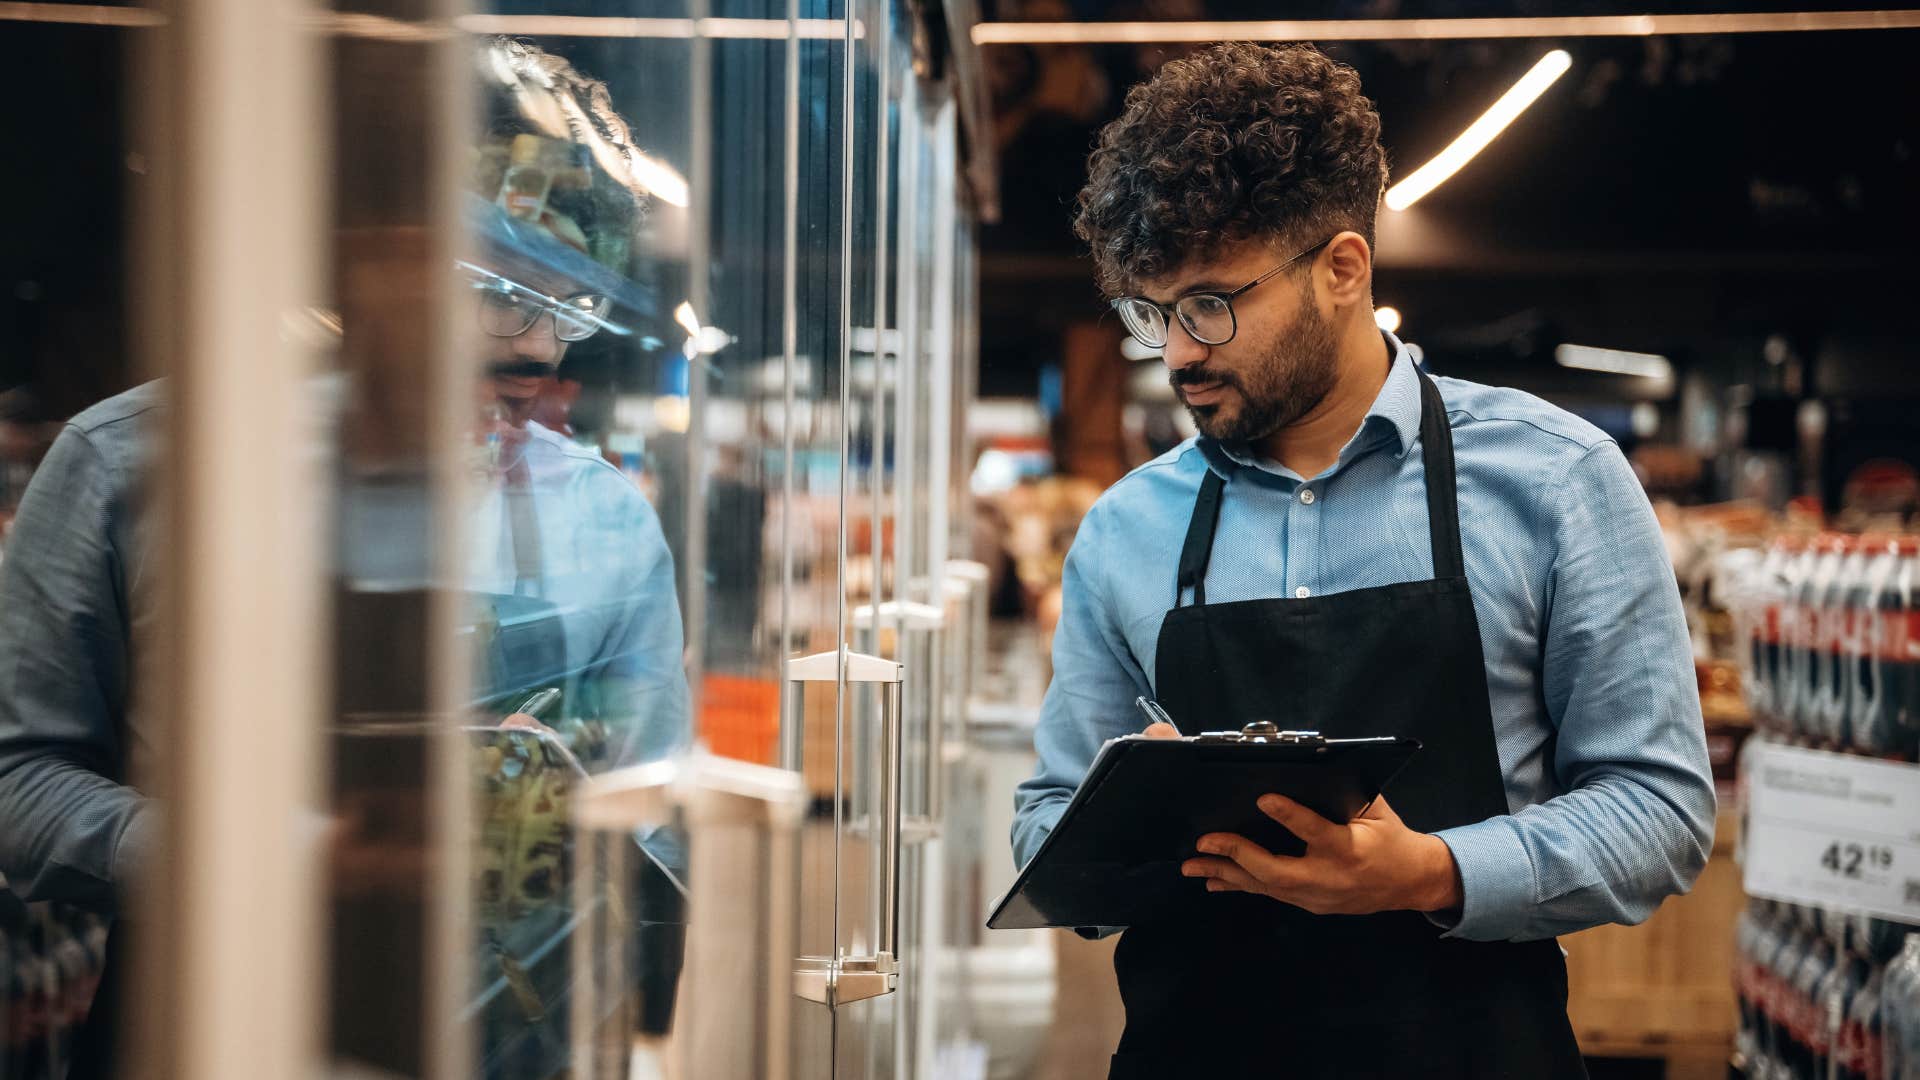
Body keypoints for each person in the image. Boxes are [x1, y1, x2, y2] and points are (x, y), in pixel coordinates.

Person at [1011, 42, 1716, 1079]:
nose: (1179, 354)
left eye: (1209, 303)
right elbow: (1045, 824)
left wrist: (1431, 872)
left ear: (1342, 269)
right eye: (1150, 313)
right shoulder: (1128, 530)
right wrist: (1127, 829)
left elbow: (1660, 811)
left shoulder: (1556, 483)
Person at [0, 38, 689, 1079]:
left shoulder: (604, 518)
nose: (533, 357)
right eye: (501, 293)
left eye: (563, 314)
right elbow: (18, 779)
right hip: (211, 1024)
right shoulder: (125, 467)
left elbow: (657, 812)